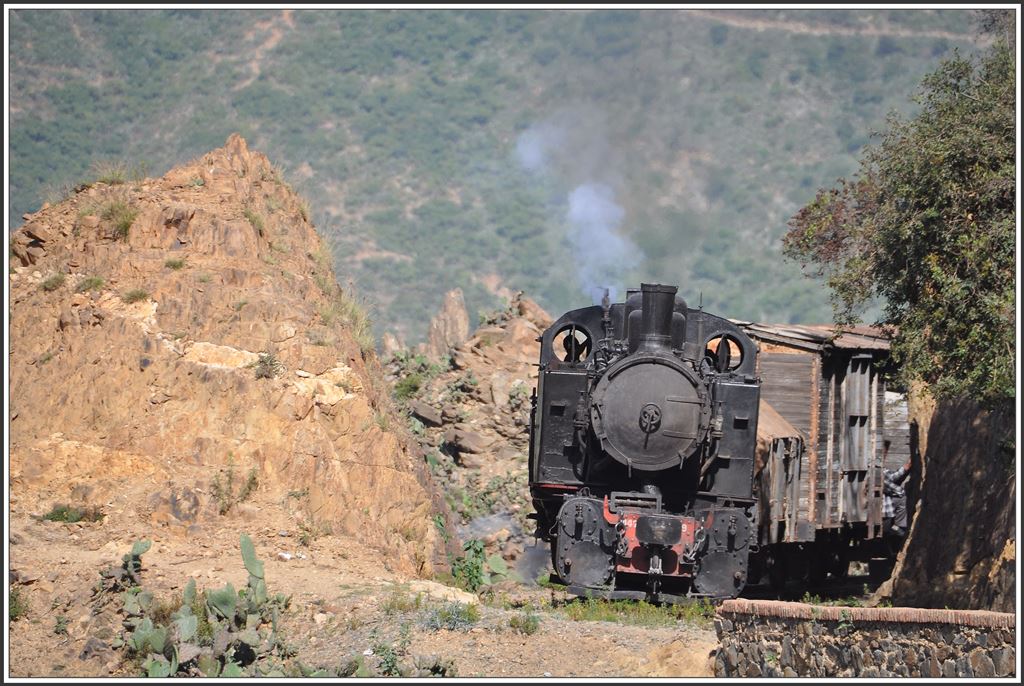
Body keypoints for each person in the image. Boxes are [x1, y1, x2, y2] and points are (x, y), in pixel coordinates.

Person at [883, 456, 912, 537]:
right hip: (884, 511)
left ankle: (895, 528)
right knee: (903, 498)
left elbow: (892, 477)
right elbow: (898, 489)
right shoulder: (880, 473)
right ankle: (899, 526)